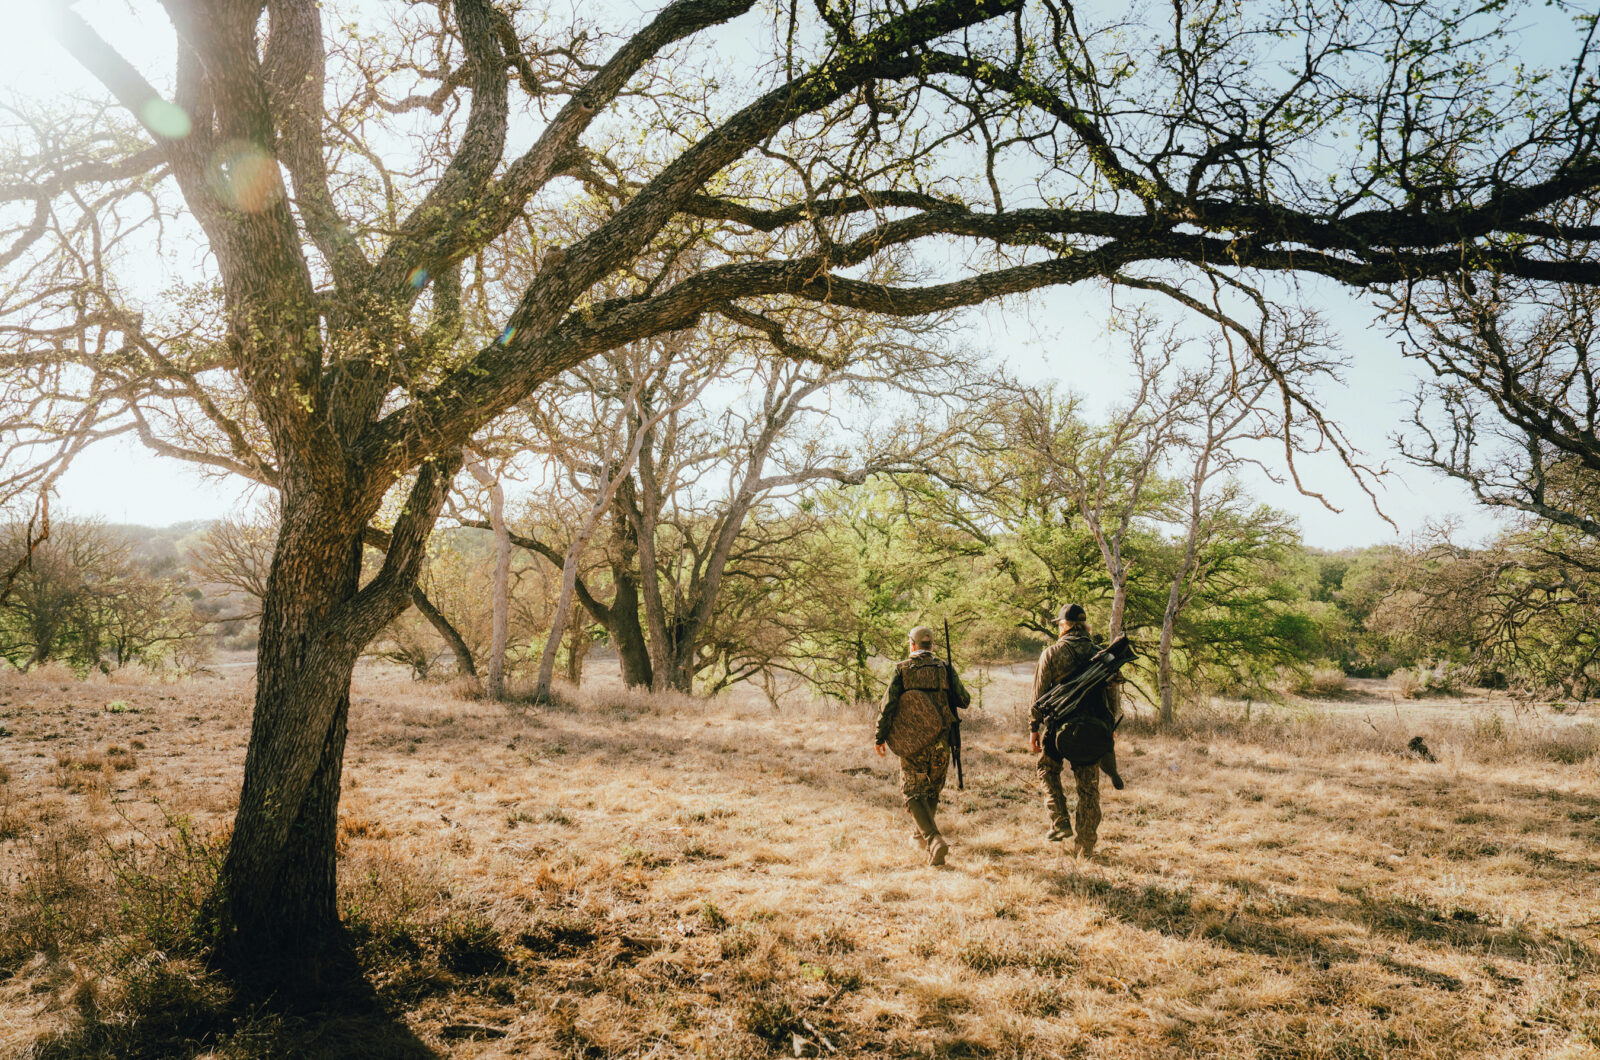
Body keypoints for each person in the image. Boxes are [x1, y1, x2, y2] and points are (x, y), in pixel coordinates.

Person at [1030, 603, 1124, 855]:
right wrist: (1110, 726)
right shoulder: (1102, 654)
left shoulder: (1052, 653)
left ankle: (1060, 821)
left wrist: (1034, 727)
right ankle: (1085, 847)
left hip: (1058, 729)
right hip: (1094, 729)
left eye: (1059, 625)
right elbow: (1112, 696)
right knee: (1089, 789)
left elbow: (1038, 695)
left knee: (1047, 769)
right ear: (1084, 626)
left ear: (1064, 626)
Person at [874, 625, 971, 865]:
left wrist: (880, 736)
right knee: (931, 790)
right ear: (932, 645)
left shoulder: (902, 669)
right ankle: (920, 837)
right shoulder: (945, 669)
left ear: (912, 644)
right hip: (942, 742)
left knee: (911, 792)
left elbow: (888, 706)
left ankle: (933, 839)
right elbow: (964, 700)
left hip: (913, 743)